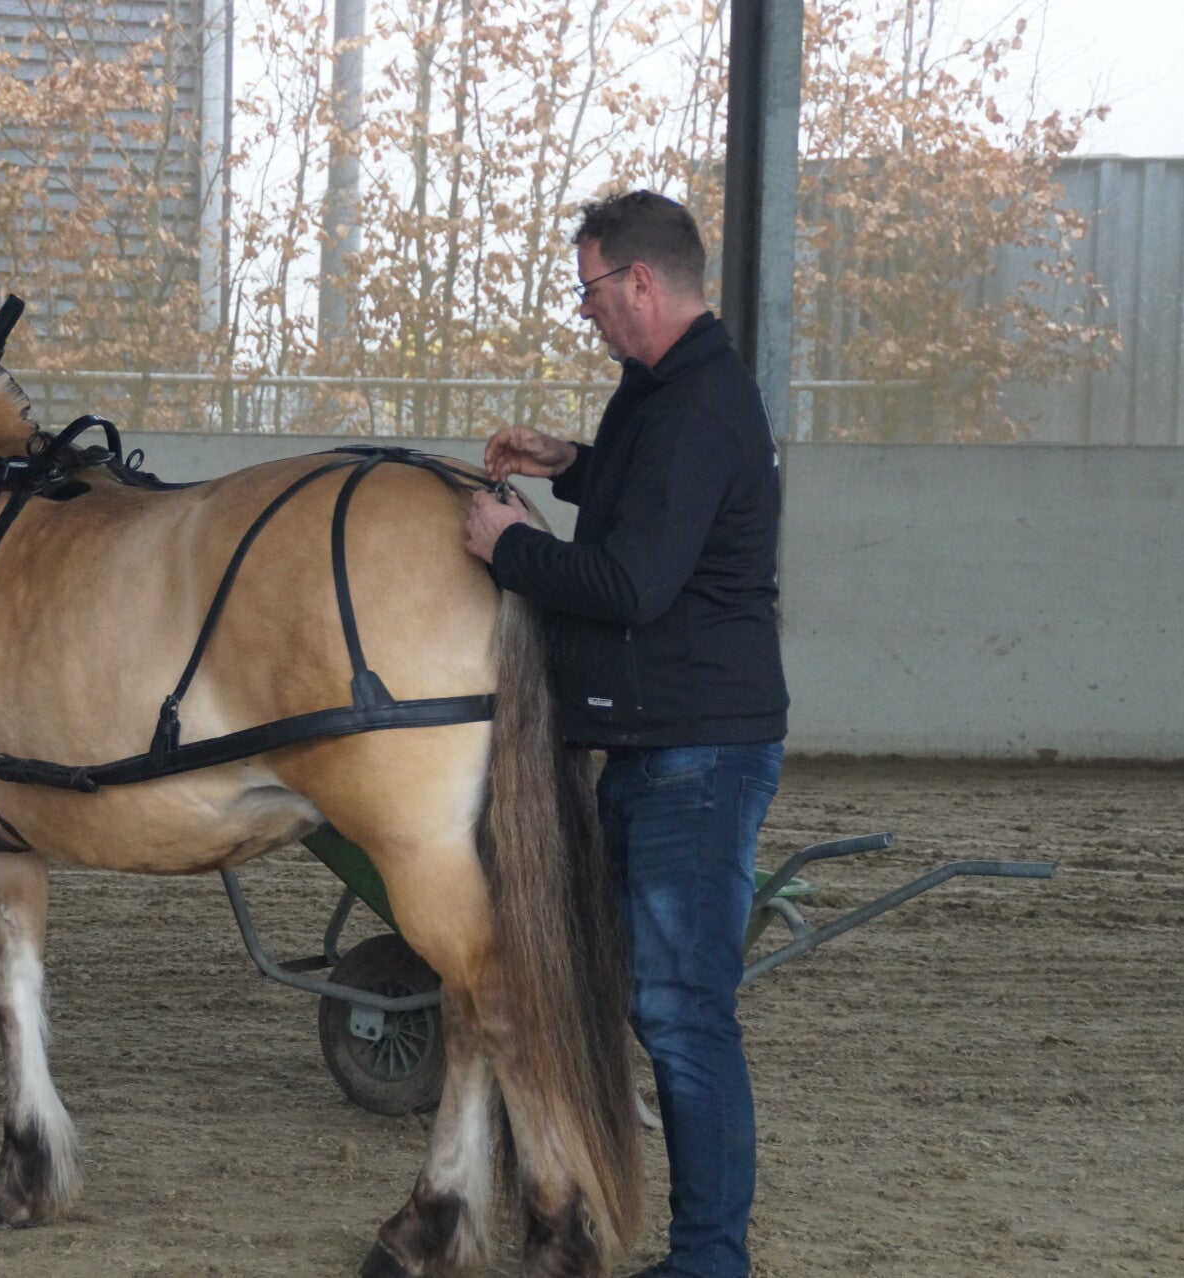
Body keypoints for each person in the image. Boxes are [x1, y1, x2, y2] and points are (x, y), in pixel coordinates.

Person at [462, 190, 788, 1278]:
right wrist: (571, 463)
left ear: (641, 281)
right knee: (658, 1004)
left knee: (682, 1015)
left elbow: (634, 582)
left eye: (592, 288)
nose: (585, 309)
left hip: (697, 753)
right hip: (660, 743)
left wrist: (511, 547)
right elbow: (655, 506)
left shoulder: (698, 406)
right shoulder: (667, 392)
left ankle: (709, 1262)